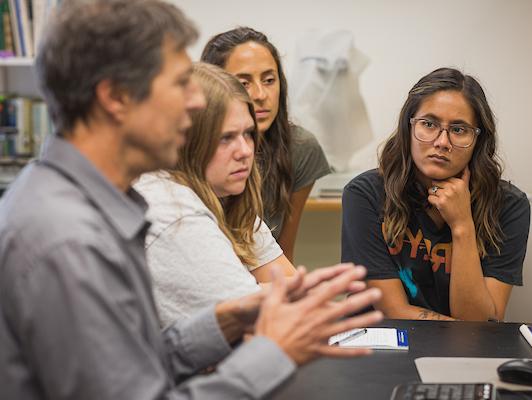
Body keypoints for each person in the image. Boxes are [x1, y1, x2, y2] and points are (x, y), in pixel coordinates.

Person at [0, 1, 383, 399]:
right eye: (180, 83)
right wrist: (273, 353)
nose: (197, 102)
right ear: (116, 97)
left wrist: (223, 320)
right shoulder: (69, 239)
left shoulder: (87, 205)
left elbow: (130, 367)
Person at [341, 68, 530, 321]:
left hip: (463, 351)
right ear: (408, 127)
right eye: (429, 124)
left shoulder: (509, 205)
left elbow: (479, 322)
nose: (442, 142)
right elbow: (394, 311)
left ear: (478, 140)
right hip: (381, 345)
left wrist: (462, 225)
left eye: (459, 129)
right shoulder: (365, 194)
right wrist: (463, 329)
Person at [135, 63, 296, 326]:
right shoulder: (171, 209)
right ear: (186, 142)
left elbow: (293, 290)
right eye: (226, 138)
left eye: (248, 134)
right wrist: (265, 294)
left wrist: (265, 294)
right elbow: (253, 317)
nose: (245, 151)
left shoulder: (228, 200)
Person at [201, 27, 332, 262]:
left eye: (269, 80)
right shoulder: (182, 150)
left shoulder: (300, 148)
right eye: (244, 82)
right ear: (214, 86)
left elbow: (282, 253)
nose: (261, 94)